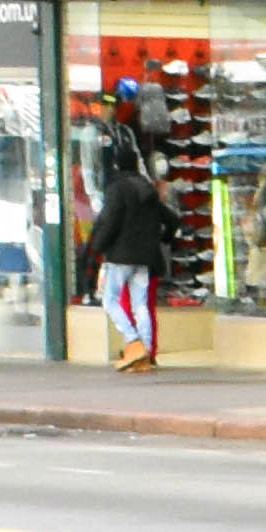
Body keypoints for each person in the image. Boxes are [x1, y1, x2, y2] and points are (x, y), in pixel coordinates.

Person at [79, 147, 171, 371]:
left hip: (120, 256)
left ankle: (133, 341)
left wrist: (95, 252)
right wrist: (162, 239)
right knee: (141, 305)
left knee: (109, 301)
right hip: (145, 257)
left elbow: (109, 223)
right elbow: (170, 218)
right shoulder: (148, 189)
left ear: (117, 165)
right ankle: (146, 351)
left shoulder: (117, 189)